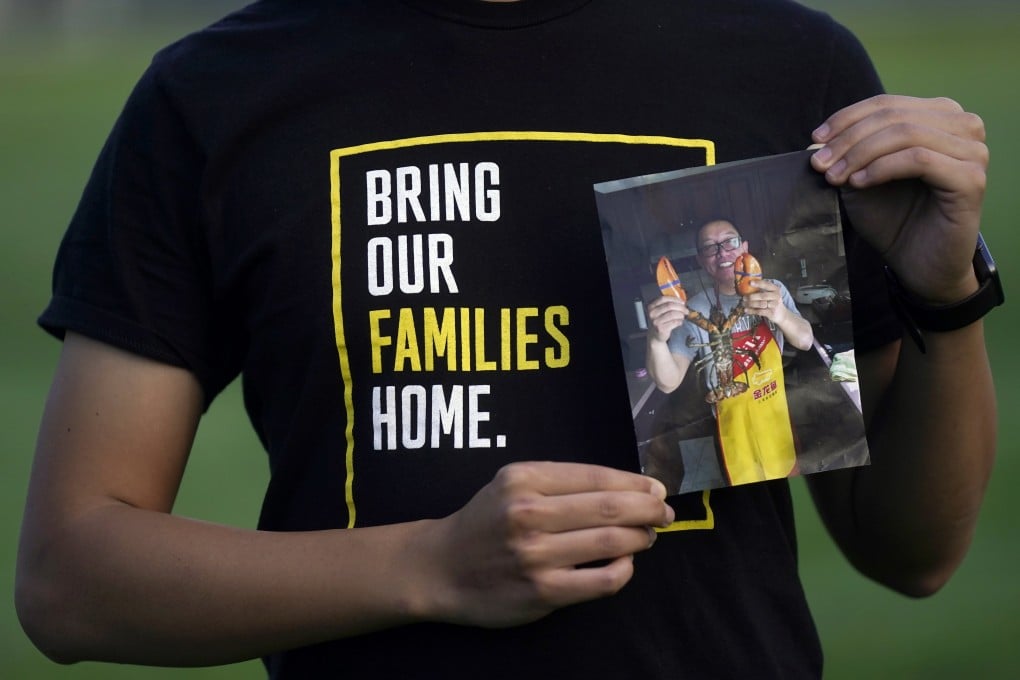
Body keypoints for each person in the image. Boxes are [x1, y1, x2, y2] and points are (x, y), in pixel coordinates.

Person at [15, 1, 997, 678]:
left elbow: (907, 548)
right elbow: (71, 578)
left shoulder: (785, 66)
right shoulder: (217, 94)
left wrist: (944, 293)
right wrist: (431, 566)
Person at [646, 219, 815, 484]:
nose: (722, 252)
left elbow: (805, 341)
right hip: (729, 427)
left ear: (744, 246)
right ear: (702, 260)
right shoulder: (689, 311)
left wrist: (780, 313)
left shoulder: (773, 290)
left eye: (730, 241)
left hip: (777, 416)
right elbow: (668, 383)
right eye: (710, 248)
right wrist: (656, 339)